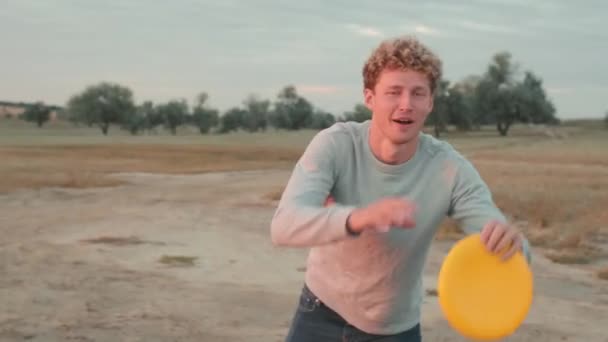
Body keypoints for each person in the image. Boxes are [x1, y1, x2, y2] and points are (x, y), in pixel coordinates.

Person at [270, 35, 531, 342]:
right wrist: (358, 218)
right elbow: (284, 226)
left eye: (418, 93)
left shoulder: (450, 169)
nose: (406, 104)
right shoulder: (336, 145)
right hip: (321, 315)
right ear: (370, 98)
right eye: (394, 92)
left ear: (430, 102)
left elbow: (503, 240)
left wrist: (511, 244)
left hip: (395, 330)